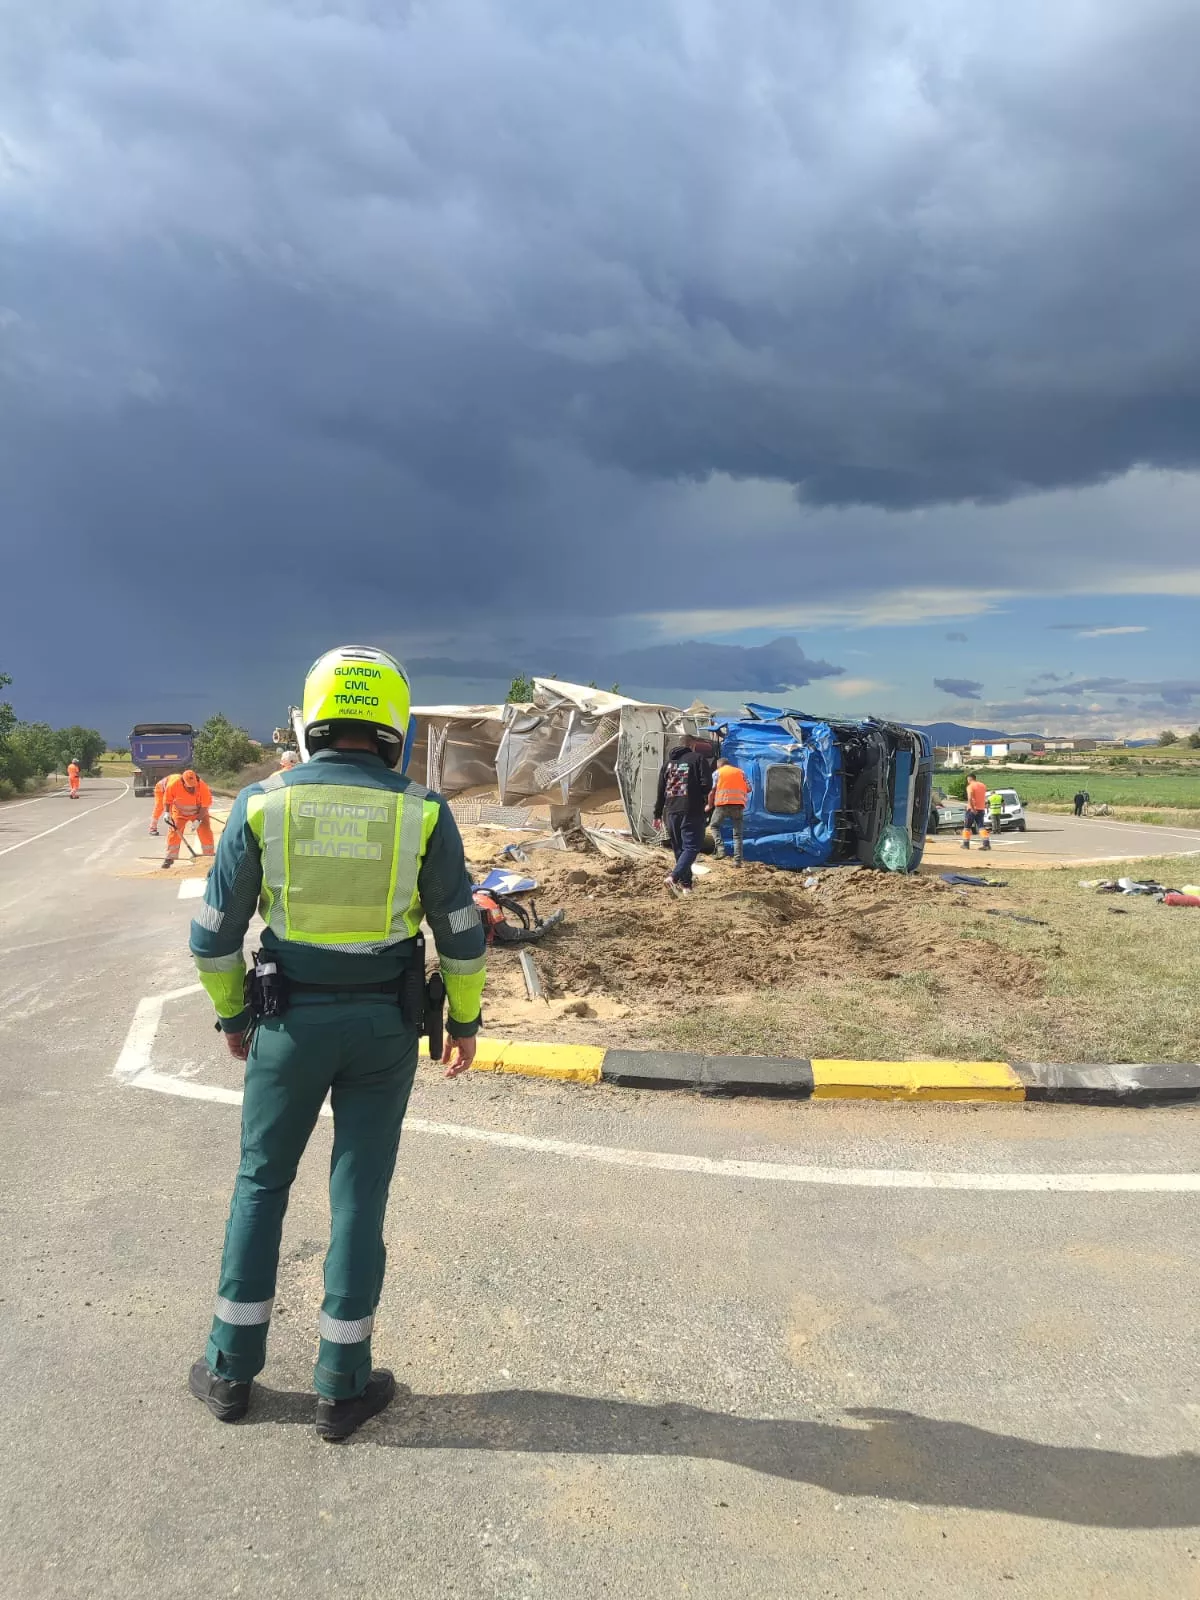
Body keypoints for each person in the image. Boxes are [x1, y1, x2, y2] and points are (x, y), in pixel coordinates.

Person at [186, 645, 487, 1442]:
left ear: (310, 719)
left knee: (261, 1184)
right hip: (386, 1029)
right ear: (394, 725)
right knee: (360, 1195)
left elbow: (214, 940)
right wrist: (463, 1021)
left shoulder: (259, 805)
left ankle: (229, 1370)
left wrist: (232, 1017)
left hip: (286, 1024)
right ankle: (341, 1384)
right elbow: (461, 936)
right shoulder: (424, 812)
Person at [654, 735, 713, 895]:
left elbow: (660, 791)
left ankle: (686, 886)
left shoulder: (667, 764)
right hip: (691, 809)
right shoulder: (698, 759)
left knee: (680, 849)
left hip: (670, 811)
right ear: (692, 745)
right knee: (692, 847)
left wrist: (657, 814)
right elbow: (707, 784)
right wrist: (701, 797)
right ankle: (673, 877)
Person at [161, 769, 215, 867]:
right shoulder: (174, 785)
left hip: (198, 813)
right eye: (189, 788)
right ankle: (170, 857)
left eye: (193, 787)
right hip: (180, 813)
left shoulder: (202, 786)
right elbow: (167, 800)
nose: (192, 790)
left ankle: (209, 856)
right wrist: (167, 813)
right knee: (174, 832)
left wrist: (198, 820)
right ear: (183, 782)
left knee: (205, 831)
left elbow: (205, 805)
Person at [708, 755, 751, 866]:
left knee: (714, 826)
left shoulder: (717, 773)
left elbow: (712, 791)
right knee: (737, 834)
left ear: (719, 765)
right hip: (738, 805)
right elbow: (749, 788)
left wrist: (709, 805)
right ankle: (737, 861)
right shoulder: (741, 772)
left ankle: (721, 850)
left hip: (723, 804)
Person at [961, 773, 988, 850]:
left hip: (972, 809)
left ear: (970, 779)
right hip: (981, 808)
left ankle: (966, 844)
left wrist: (972, 809)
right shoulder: (983, 785)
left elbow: (970, 798)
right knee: (981, 826)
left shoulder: (970, 786)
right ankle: (986, 844)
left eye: (967, 780)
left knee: (967, 827)